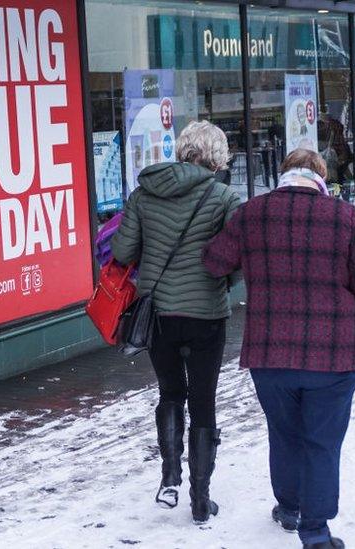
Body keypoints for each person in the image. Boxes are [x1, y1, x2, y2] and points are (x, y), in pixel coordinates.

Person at [203, 149, 355, 549]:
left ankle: (288, 508)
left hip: (270, 352)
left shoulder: (252, 213)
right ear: (319, 177)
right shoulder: (343, 216)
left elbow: (215, 262)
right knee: (321, 441)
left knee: (284, 432)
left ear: (283, 174)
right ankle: (316, 532)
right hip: (334, 353)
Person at [111, 120, 242, 523]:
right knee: (203, 402)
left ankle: (169, 476)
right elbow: (238, 257)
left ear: (183, 149)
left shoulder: (144, 192)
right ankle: (200, 500)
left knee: (170, 393)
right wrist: (220, 283)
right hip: (206, 314)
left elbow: (122, 249)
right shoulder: (224, 197)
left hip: (159, 314)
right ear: (217, 157)